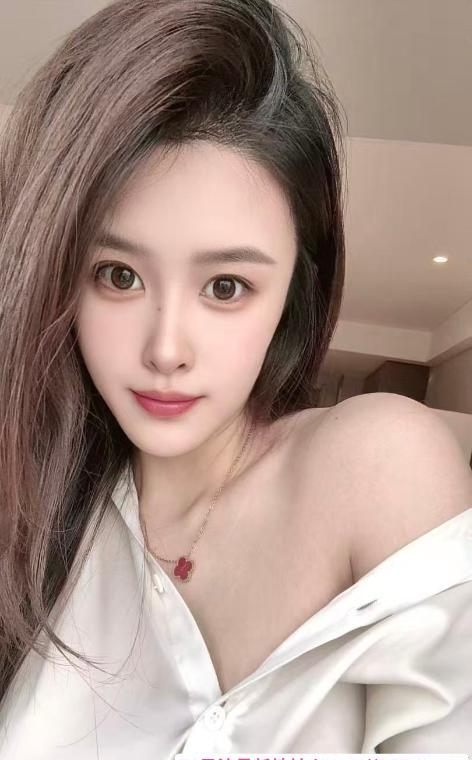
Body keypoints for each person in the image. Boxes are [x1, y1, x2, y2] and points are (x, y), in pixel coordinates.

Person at [0, 0, 471, 756]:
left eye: (225, 287)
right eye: (117, 275)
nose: (166, 349)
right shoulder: (43, 520)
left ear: (293, 293)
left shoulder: (375, 465)